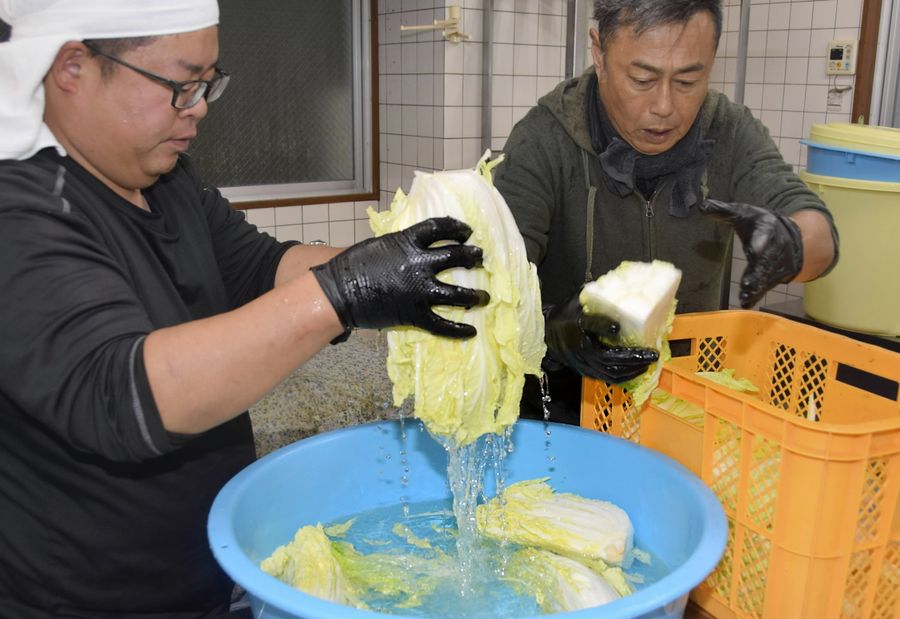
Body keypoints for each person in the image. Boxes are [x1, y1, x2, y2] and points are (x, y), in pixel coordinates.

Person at [0, 2, 489, 617]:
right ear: (73, 67)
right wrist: (343, 293)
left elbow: (262, 267)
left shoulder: (165, 176)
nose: (199, 107)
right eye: (181, 86)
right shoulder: (19, 206)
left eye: (207, 84)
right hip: (88, 598)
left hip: (203, 571)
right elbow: (121, 391)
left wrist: (419, 270)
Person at [494, 0, 839, 425]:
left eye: (688, 80)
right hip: (562, 411)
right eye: (642, 79)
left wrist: (792, 243)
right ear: (598, 52)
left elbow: (816, 232)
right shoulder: (545, 139)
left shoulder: (728, 132)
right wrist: (555, 330)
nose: (664, 106)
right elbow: (494, 284)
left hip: (687, 408)